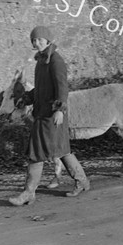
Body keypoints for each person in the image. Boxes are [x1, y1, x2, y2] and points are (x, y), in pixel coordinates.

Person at [9, 26, 90, 206]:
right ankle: (82, 180)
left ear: (48, 40)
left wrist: (60, 110)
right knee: (61, 150)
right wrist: (27, 99)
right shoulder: (41, 61)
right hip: (42, 114)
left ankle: (29, 192)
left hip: (52, 116)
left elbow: (62, 87)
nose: (36, 43)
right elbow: (41, 89)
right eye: (33, 40)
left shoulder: (55, 61)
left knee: (37, 153)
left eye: (39, 39)